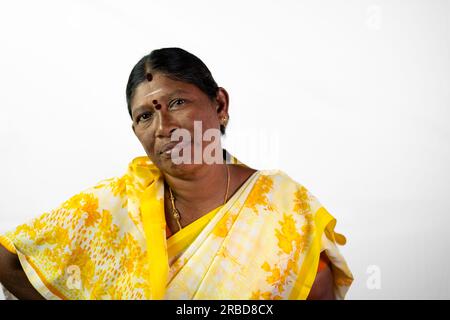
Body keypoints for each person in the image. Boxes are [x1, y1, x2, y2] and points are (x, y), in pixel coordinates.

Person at [0, 48, 353, 300]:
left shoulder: (284, 207)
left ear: (220, 105)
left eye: (177, 103)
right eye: (145, 116)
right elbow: (8, 261)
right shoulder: (114, 205)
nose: (163, 127)